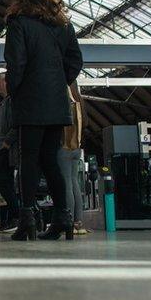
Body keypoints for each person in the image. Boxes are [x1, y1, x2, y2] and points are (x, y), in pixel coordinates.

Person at [4, 0, 83, 242]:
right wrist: (58, 82)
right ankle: (63, 217)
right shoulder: (64, 26)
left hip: (30, 100)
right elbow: (75, 61)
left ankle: (28, 219)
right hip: (56, 102)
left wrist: (15, 91)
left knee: (29, 159)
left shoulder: (18, 23)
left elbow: (16, 64)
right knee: (51, 160)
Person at [0, 74, 20, 233]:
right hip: (3, 148)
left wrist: (7, 142)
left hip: (8, 149)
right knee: (5, 181)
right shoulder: (4, 102)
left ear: (6, 82)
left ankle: (17, 216)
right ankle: (12, 218)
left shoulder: (12, 101)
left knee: (2, 181)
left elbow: (15, 123)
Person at [60, 82, 88, 236]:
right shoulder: (79, 100)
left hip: (64, 146)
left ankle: (68, 221)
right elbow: (87, 123)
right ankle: (79, 221)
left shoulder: (64, 99)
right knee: (74, 182)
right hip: (77, 147)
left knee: (66, 184)